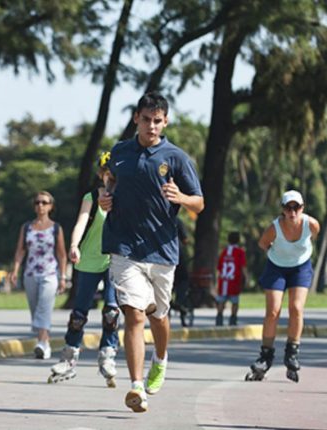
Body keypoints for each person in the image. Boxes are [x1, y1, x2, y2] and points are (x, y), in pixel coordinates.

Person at [99, 92, 204, 413]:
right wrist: (106, 195)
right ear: (136, 119)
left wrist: (181, 198)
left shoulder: (176, 158)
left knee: (159, 316)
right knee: (134, 314)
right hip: (125, 247)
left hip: (162, 250)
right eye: (146, 120)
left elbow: (200, 204)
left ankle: (160, 358)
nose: (152, 126)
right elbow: (110, 182)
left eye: (158, 121)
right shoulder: (119, 152)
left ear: (166, 122)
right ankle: (136, 387)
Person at [47, 151, 121, 387]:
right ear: (101, 174)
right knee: (79, 313)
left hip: (116, 260)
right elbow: (81, 221)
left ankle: (108, 356)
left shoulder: (126, 196)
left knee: (111, 311)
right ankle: (69, 359)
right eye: (107, 172)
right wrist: (73, 246)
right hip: (89, 259)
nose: (110, 177)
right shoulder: (91, 196)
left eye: (114, 173)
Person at [245, 190, 320, 383]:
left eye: (297, 207)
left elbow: (314, 235)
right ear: (283, 210)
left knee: (296, 308)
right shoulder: (274, 227)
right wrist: (277, 254)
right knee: (273, 311)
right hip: (276, 267)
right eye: (288, 207)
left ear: (303, 208)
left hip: (300, 268)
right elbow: (263, 243)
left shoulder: (310, 224)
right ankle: (266, 355)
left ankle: (292, 352)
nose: (292, 212)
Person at [10, 191, 68, 360]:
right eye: (37, 202)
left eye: (44, 202)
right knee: (35, 309)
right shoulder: (27, 227)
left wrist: (63, 277)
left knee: (44, 306)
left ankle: (41, 343)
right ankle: (45, 342)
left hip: (50, 273)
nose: (40, 205)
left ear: (51, 206)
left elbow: (62, 254)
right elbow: (20, 251)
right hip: (30, 273)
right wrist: (14, 270)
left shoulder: (56, 228)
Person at [215, 231, 247, 326]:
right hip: (234, 280)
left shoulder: (224, 251)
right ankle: (233, 319)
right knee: (234, 302)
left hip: (224, 280)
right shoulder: (240, 252)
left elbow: (219, 268)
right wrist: (246, 278)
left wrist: (217, 281)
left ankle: (219, 318)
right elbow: (243, 267)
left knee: (221, 301)